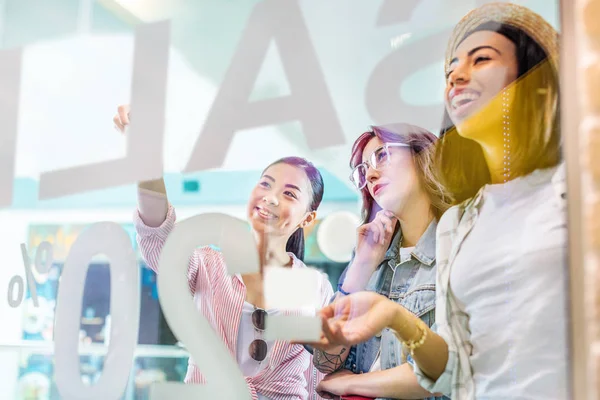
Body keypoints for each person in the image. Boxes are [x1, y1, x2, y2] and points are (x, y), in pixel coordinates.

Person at [309, 3, 567, 399]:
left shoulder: (571, 193)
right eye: (449, 72)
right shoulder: (459, 227)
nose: (456, 77)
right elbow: (454, 369)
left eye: (481, 59)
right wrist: (387, 303)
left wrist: (352, 381)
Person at [113, 104, 334, 400]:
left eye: (289, 193)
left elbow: (319, 380)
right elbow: (159, 236)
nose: (270, 198)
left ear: (307, 218)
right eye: (265, 184)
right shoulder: (208, 264)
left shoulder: (316, 289)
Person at [310, 124, 450, 400]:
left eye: (382, 156)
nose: (371, 174)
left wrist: (349, 384)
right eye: (362, 171)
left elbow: (443, 372)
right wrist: (360, 269)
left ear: (422, 157)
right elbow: (325, 361)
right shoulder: (370, 258)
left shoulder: (457, 248)